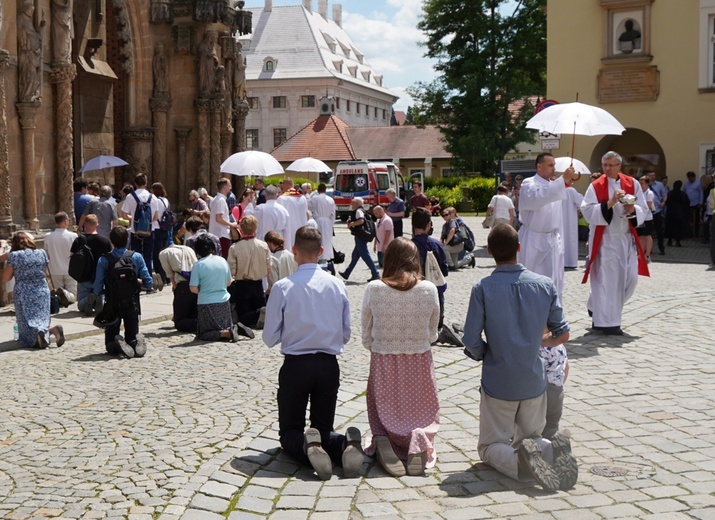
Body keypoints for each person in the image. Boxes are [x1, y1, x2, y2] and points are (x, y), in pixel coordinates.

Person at [462, 224, 575, 492]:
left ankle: (521, 464)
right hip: (534, 379)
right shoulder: (544, 284)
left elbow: (470, 339)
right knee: (533, 437)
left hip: (499, 380)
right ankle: (550, 450)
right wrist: (539, 342)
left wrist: (484, 354)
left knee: (491, 446)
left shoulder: (483, 288)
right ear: (519, 248)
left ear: (489, 252)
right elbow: (563, 333)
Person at [262, 226, 363, 481]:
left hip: (296, 365)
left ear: (294, 251)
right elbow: (346, 333)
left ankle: (309, 449)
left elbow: (269, 337)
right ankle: (344, 445)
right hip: (329, 364)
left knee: (290, 431)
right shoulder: (337, 285)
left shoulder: (284, 287)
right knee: (324, 429)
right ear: (320, 251)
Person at [361, 238, 440, 477]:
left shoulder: (374, 289)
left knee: (385, 404)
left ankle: (385, 437)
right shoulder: (429, 290)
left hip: (384, 358)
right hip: (418, 359)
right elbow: (433, 333)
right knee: (421, 408)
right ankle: (418, 438)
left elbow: (366, 334)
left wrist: (381, 344)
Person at [581, 151, 650, 336]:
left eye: (611, 165)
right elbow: (587, 211)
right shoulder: (596, 186)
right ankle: (608, 324)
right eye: (605, 165)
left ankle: (595, 303)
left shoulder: (632, 183)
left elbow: (643, 208)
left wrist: (631, 209)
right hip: (606, 239)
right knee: (609, 282)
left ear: (619, 166)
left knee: (631, 279)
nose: (607, 168)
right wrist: (610, 202)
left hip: (626, 238)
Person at [517, 153, 575, 300]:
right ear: (539, 166)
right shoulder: (529, 184)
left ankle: (553, 316)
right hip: (534, 239)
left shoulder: (554, 185)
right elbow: (537, 199)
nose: (554, 168)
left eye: (554, 165)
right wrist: (562, 182)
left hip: (553, 239)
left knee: (555, 281)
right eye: (550, 165)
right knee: (533, 279)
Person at [93, 226, 153, 358]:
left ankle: (116, 344)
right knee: (131, 336)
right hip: (132, 303)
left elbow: (97, 287)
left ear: (111, 241)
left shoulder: (104, 260)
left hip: (112, 303)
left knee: (109, 343)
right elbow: (149, 282)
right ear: (127, 239)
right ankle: (134, 343)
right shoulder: (136, 257)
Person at [411, 208, 463, 348]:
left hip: (413, 291)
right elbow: (444, 271)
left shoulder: (408, 246)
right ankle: (437, 331)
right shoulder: (437, 245)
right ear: (429, 225)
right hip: (434, 291)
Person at [4, 232, 66, 349]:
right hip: (41, 289)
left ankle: (36, 338)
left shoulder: (15, 256)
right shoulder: (41, 253)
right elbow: (46, 273)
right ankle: (52, 331)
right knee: (42, 317)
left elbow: (7, 277)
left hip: (23, 292)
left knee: (26, 320)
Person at [190, 234, 250, 342]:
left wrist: (203, 288)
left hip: (206, 303)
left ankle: (228, 333)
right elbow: (228, 283)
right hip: (224, 302)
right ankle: (232, 329)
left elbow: (193, 288)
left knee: (203, 333)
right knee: (222, 326)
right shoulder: (222, 261)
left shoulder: (198, 265)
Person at [227, 215, 271, 330]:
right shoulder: (264, 245)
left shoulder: (234, 247)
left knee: (243, 317)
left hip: (243, 285)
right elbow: (268, 267)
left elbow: (232, 270)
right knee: (257, 307)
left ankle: (259, 313)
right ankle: (260, 312)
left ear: (241, 229)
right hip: (258, 283)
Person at [71, 214, 112, 316]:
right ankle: (98, 298)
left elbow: (72, 257)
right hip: (99, 276)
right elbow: (111, 258)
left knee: (81, 305)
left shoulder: (79, 240)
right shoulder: (104, 240)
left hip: (83, 276)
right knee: (100, 295)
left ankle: (88, 299)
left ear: (85, 225)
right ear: (96, 225)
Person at [121, 173, 159, 275]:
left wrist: (133, 219)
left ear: (135, 183)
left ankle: (137, 278)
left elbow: (124, 215)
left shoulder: (130, 196)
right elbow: (156, 217)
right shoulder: (153, 197)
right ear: (146, 183)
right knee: (148, 256)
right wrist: (148, 221)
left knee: (135, 255)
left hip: (135, 230)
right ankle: (148, 280)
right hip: (149, 231)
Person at [159, 244, 198, 333]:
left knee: (180, 320)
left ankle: (199, 324)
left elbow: (169, 273)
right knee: (193, 312)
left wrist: (174, 284)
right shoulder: (188, 249)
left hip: (182, 285)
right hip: (195, 283)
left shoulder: (164, 253)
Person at [339, 198, 380, 283]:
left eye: (353, 202)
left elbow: (361, 221)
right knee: (355, 255)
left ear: (357, 203)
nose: (351, 204)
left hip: (361, 236)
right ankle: (347, 273)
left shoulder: (358, 211)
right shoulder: (360, 210)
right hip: (361, 236)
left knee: (365, 255)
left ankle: (375, 273)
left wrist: (352, 224)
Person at [45, 211, 78, 307]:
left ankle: (61, 294)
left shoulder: (48, 236)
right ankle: (64, 293)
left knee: (58, 294)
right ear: (66, 221)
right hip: (70, 269)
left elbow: (47, 254)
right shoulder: (73, 236)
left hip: (54, 269)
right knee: (73, 296)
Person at [540, 343, 569, 440]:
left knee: (530, 429)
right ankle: (558, 441)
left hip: (539, 393)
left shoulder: (538, 346)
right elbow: (566, 367)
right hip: (557, 392)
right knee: (552, 426)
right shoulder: (559, 345)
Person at [209, 178, 239, 259]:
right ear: (224, 187)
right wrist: (231, 224)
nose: (230, 187)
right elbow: (218, 218)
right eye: (229, 185)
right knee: (224, 258)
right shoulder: (221, 200)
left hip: (217, 233)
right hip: (221, 234)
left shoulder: (216, 199)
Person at [277, 178, 308, 251]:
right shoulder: (303, 198)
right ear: (293, 185)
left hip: (288, 229)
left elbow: (280, 216)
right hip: (301, 228)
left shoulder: (282, 198)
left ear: (284, 186)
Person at [151, 182, 172, 289]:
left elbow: (155, 216)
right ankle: (168, 277)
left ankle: (161, 277)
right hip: (165, 229)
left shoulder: (156, 201)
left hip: (158, 229)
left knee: (157, 255)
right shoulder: (165, 200)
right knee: (164, 253)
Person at [311, 183, 336, 268]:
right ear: (325, 190)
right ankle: (326, 258)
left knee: (318, 240)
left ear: (318, 190)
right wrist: (331, 224)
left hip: (318, 221)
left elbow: (309, 208)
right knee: (327, 241)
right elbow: (333, 213)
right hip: (328, 221)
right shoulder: (330, 199)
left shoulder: (315, 198)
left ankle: (319, 258)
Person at [562, 184, 584, 269]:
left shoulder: (557, 191)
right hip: (570, 220)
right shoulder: (571, 191)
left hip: (560, 220)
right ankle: (571, 261)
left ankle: (562, 261)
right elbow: (582, 202)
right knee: (571, 239)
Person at [647, 170, 667, 256]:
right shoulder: (644, 185)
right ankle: (649, 249)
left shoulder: (660, 185)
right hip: (648, 211)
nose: (652, 177)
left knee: (659, 231)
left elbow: (665, 194)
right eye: (650, 175)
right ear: (647, 176)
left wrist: (663, 202)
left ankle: (661, 248)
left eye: (653, 175)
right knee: (648, 232)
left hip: (657, 211)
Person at [665, 180, 691, 248]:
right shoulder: (683, 194)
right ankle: (678, 241)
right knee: (678, 228)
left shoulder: (670, 193)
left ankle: (669, 240)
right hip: (679, 214)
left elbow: (666, 202)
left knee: (670, 228)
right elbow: (687, 203)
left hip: (670, 213)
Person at [637, 176, 655, 262]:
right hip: (640, 218)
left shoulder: (649, 193)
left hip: (647, 218)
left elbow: (648, 206)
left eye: (642, 183)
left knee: (647, 236)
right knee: (641, 236)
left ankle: (647, 254)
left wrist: (640, 211)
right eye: (639, 183)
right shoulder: (638, 193)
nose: (640, 185)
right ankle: (640, 253)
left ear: (647, 184)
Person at [683, 172, 703, 239]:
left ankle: (696, 233)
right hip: (688, 204)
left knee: (696, 219)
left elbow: (701, 193)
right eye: (689, 178)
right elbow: (684, 193)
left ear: (694, 177)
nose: (691, 179)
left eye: (692, 178)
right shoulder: (686, 184)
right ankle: (689, 233)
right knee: (688, 219)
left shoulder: (698, 183)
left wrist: (700, 202)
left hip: (696, 204)